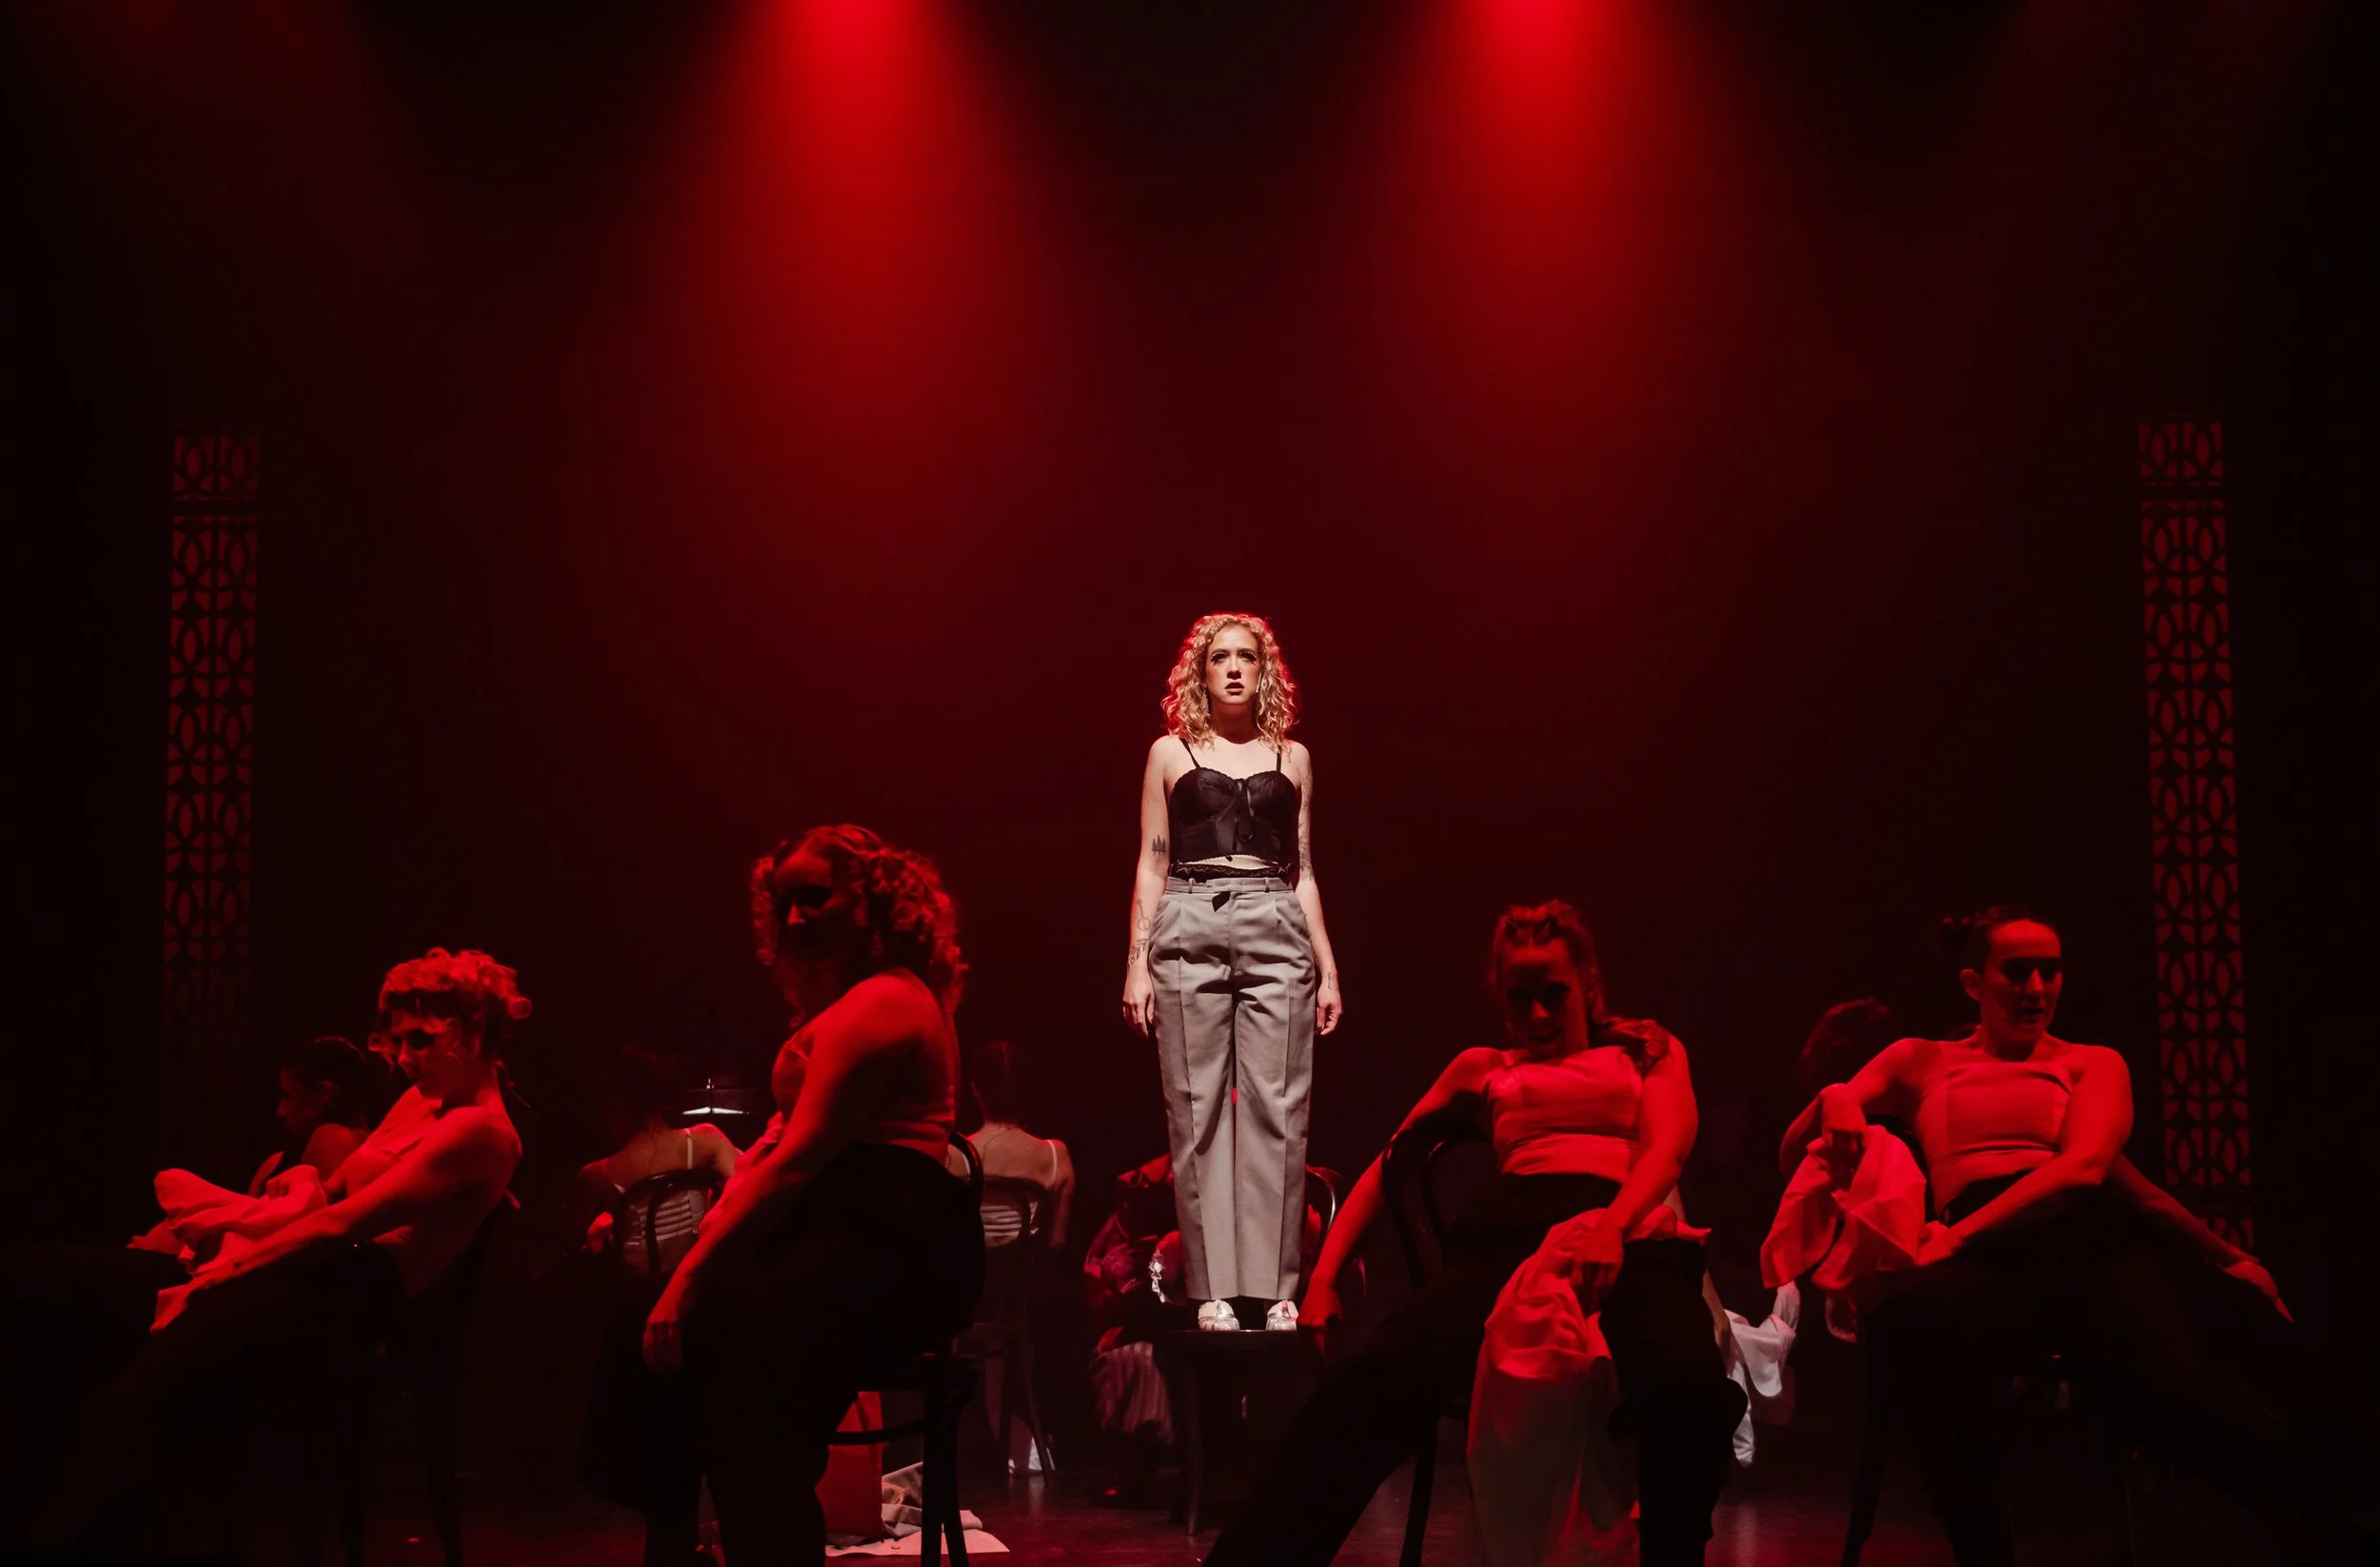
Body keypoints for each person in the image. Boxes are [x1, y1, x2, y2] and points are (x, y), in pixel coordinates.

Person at [1779, 905, 2341, 1565]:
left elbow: (2095, 1175)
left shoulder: (2089, 1065)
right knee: (1915, 1320)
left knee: (2186, 1389)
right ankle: (1984, 1553)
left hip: (2077, 1240)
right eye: (2019, 972)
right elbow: (1796, 1158)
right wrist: (1836, 1098)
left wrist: (2234, 1258)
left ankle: (2327, 1526)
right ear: (1974, 983)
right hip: (1985, 1256)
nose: (2038, 988)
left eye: (2051, 972)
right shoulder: (1922, 1061)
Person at [1204, 903, 1744, 1567]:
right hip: (1508, 1235)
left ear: (1589, 984)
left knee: (1688, 1387)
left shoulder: (1646, 1050)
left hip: (1627, 1228)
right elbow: (1388, 1166)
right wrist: (1321, 1280)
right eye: (1521, 1000)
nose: (1540, 1015)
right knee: (1362, 1387)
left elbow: (1668, 1149)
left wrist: (1612, 1227)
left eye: (1555, 995)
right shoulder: (1484, 1066)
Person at [24, 948, 526, 1554]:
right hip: (307, 1265)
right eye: (399, 1042)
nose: (403, 1059)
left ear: (472, 1033)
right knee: (41, 1281)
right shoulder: (424, 1099)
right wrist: (280, 1200)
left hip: (350, 1295)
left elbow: (344, 1226)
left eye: (421, 1040)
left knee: (145, 1395)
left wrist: (224, 1275)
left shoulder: (481, 1130)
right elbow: (333, 1192)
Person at [642, 825, 983, 1562]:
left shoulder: (886, 999)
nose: (796, 918)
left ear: (872, 902)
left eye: (815, 898)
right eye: (784, 903)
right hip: (846, 1217)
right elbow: (783, 1152)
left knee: (750, 1401)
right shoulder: (851, 1002)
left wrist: (688, 1278)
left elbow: (800, 1158)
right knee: (656, 1343)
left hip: (883, 1232)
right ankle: (676, 1529)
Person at [1121, 611, 1343, 1334]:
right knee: (1197, 1107)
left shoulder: (1294, 757)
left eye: (1248, 656)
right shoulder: (1169, 752)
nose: (1236, 668)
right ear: (1202, 671)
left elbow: (1303, 868)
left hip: (1274, 916)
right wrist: (1136, 966)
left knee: (1278, 1107)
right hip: (1188, 913)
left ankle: (1276, 1288)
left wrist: (1329, 967)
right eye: (1222, 658)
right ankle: (1210, 1288)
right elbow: (1152, 862)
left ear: (1264, 669)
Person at [957, 1038, 1075, 1250]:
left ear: (974, 1088)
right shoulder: (1055, 1155)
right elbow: (1057, 1242)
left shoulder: (954, 1153)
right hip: (1024, 1280)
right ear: (1025, 1088)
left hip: (966, 1277)